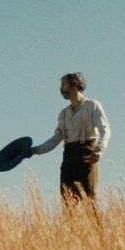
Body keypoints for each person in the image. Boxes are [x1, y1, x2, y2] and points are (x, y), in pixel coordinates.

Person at [28, 72, 111, 206]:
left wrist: (99, 150)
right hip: (68, 157)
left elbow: (105, 129)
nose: (61, 89)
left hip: (87, 155)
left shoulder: (92, 105)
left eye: (63, 85)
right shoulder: (64, 113)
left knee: (90, 199)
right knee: (67, 201)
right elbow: (56, 139)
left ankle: (95, 221)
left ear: (75, 85)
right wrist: (35, 150)